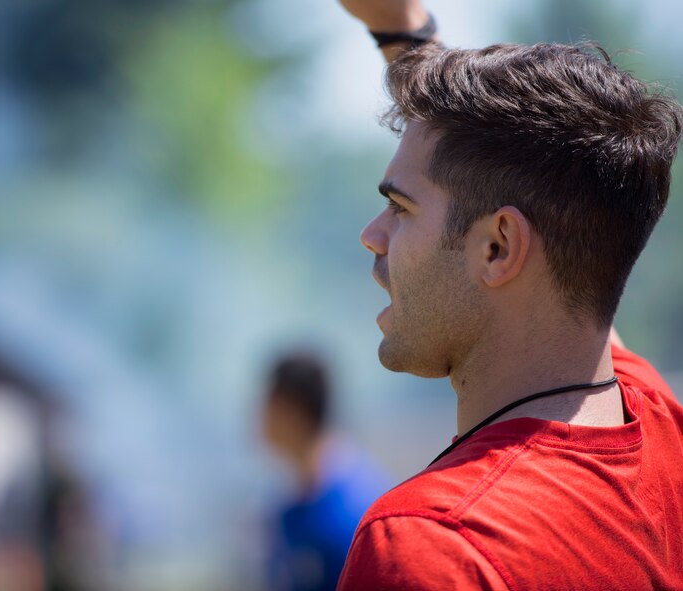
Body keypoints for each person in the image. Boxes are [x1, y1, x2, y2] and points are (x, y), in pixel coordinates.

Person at [334, 1, 683, 589]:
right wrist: (406, 32)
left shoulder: (433, 546)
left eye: (400, 208)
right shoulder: (661, 430)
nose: (372, 235)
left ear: (498, 247)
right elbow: (573, 291)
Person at [260, 352, 390, 591]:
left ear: (291, 410)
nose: (258, 415)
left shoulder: (357, 506)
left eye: (267, 402)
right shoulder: (292, 501)